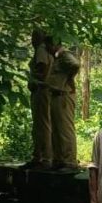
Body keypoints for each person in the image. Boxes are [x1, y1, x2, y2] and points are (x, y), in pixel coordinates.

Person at [45, 36, 81, 171]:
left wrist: (69, 78)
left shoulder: (64, 55)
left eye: (48, 45)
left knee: (65, 129)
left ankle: (70, 162)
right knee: (56, 130)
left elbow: (75, 64)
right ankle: (59, 159)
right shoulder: (57, 58)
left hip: (64, 96)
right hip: (55, 96)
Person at [23, 29, 54, 170]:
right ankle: (41, 155)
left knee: (42, 124)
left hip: (41, 90)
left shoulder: (41, 50)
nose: (31, 40)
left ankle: (44, 157)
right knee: (43, 123)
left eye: (33, 37)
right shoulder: (46, 50)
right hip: (43, 90)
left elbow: (43, 67)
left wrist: (36, 80)